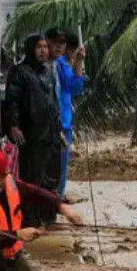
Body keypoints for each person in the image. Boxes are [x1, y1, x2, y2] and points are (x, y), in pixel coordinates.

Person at [3, 34, 61, 228]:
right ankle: (30, 219)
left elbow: (53, 103)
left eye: (45, 46)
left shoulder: (48, 72)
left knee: (51, 176)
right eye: (39, 47)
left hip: (50, 132)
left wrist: (58, 129)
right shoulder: (20, 72)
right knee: (31, 177)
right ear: (30, 49)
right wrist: (13, 124)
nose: (43, 50)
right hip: (31, 132)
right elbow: (12, 100)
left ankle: (48, 216)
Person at [46, 29, 87, 198]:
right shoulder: (61, 64)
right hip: (60, 122)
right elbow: (74, 86)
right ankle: (56, 198)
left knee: (60, 166)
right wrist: (78, 63)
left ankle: (56, 198)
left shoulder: (60, 64)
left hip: (63, 121)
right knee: (58, 166)